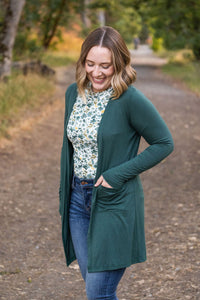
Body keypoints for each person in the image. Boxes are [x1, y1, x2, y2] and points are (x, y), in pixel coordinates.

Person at [59, 26, 174, 300]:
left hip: (113, 201)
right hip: (78, 202)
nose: (96, 72)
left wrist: (119, 173)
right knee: (95, 290)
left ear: (119, 64)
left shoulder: (129, 99)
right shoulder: (73, 94)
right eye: (90, 64)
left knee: (98, 293)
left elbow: (164, 143)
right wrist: (65, 193)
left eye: (105, 66)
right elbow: (71, 148)